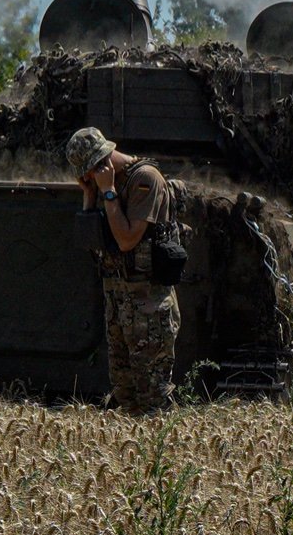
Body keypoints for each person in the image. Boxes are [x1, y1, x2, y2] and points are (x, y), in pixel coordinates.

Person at [66, 126, 179, 413]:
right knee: (125, 397)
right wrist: (90, 197)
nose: (87, 178)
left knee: (152, 399)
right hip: (118, 302)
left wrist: (109, 193)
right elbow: (91, 245)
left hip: (147, 306)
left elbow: (127, 240)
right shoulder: (103, 187)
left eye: (89, 171)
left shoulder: (144, 180)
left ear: (100, 161)